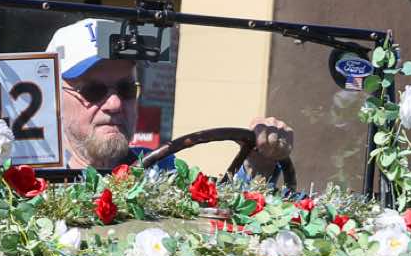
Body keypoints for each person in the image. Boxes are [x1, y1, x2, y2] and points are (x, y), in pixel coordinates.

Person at [45, 18, 294, 176]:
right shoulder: (32, 181)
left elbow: (221, 218)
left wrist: (260, 161)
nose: (115, 103)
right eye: (93, 91)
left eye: (126, 89)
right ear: (54, 98)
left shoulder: (163, 168)